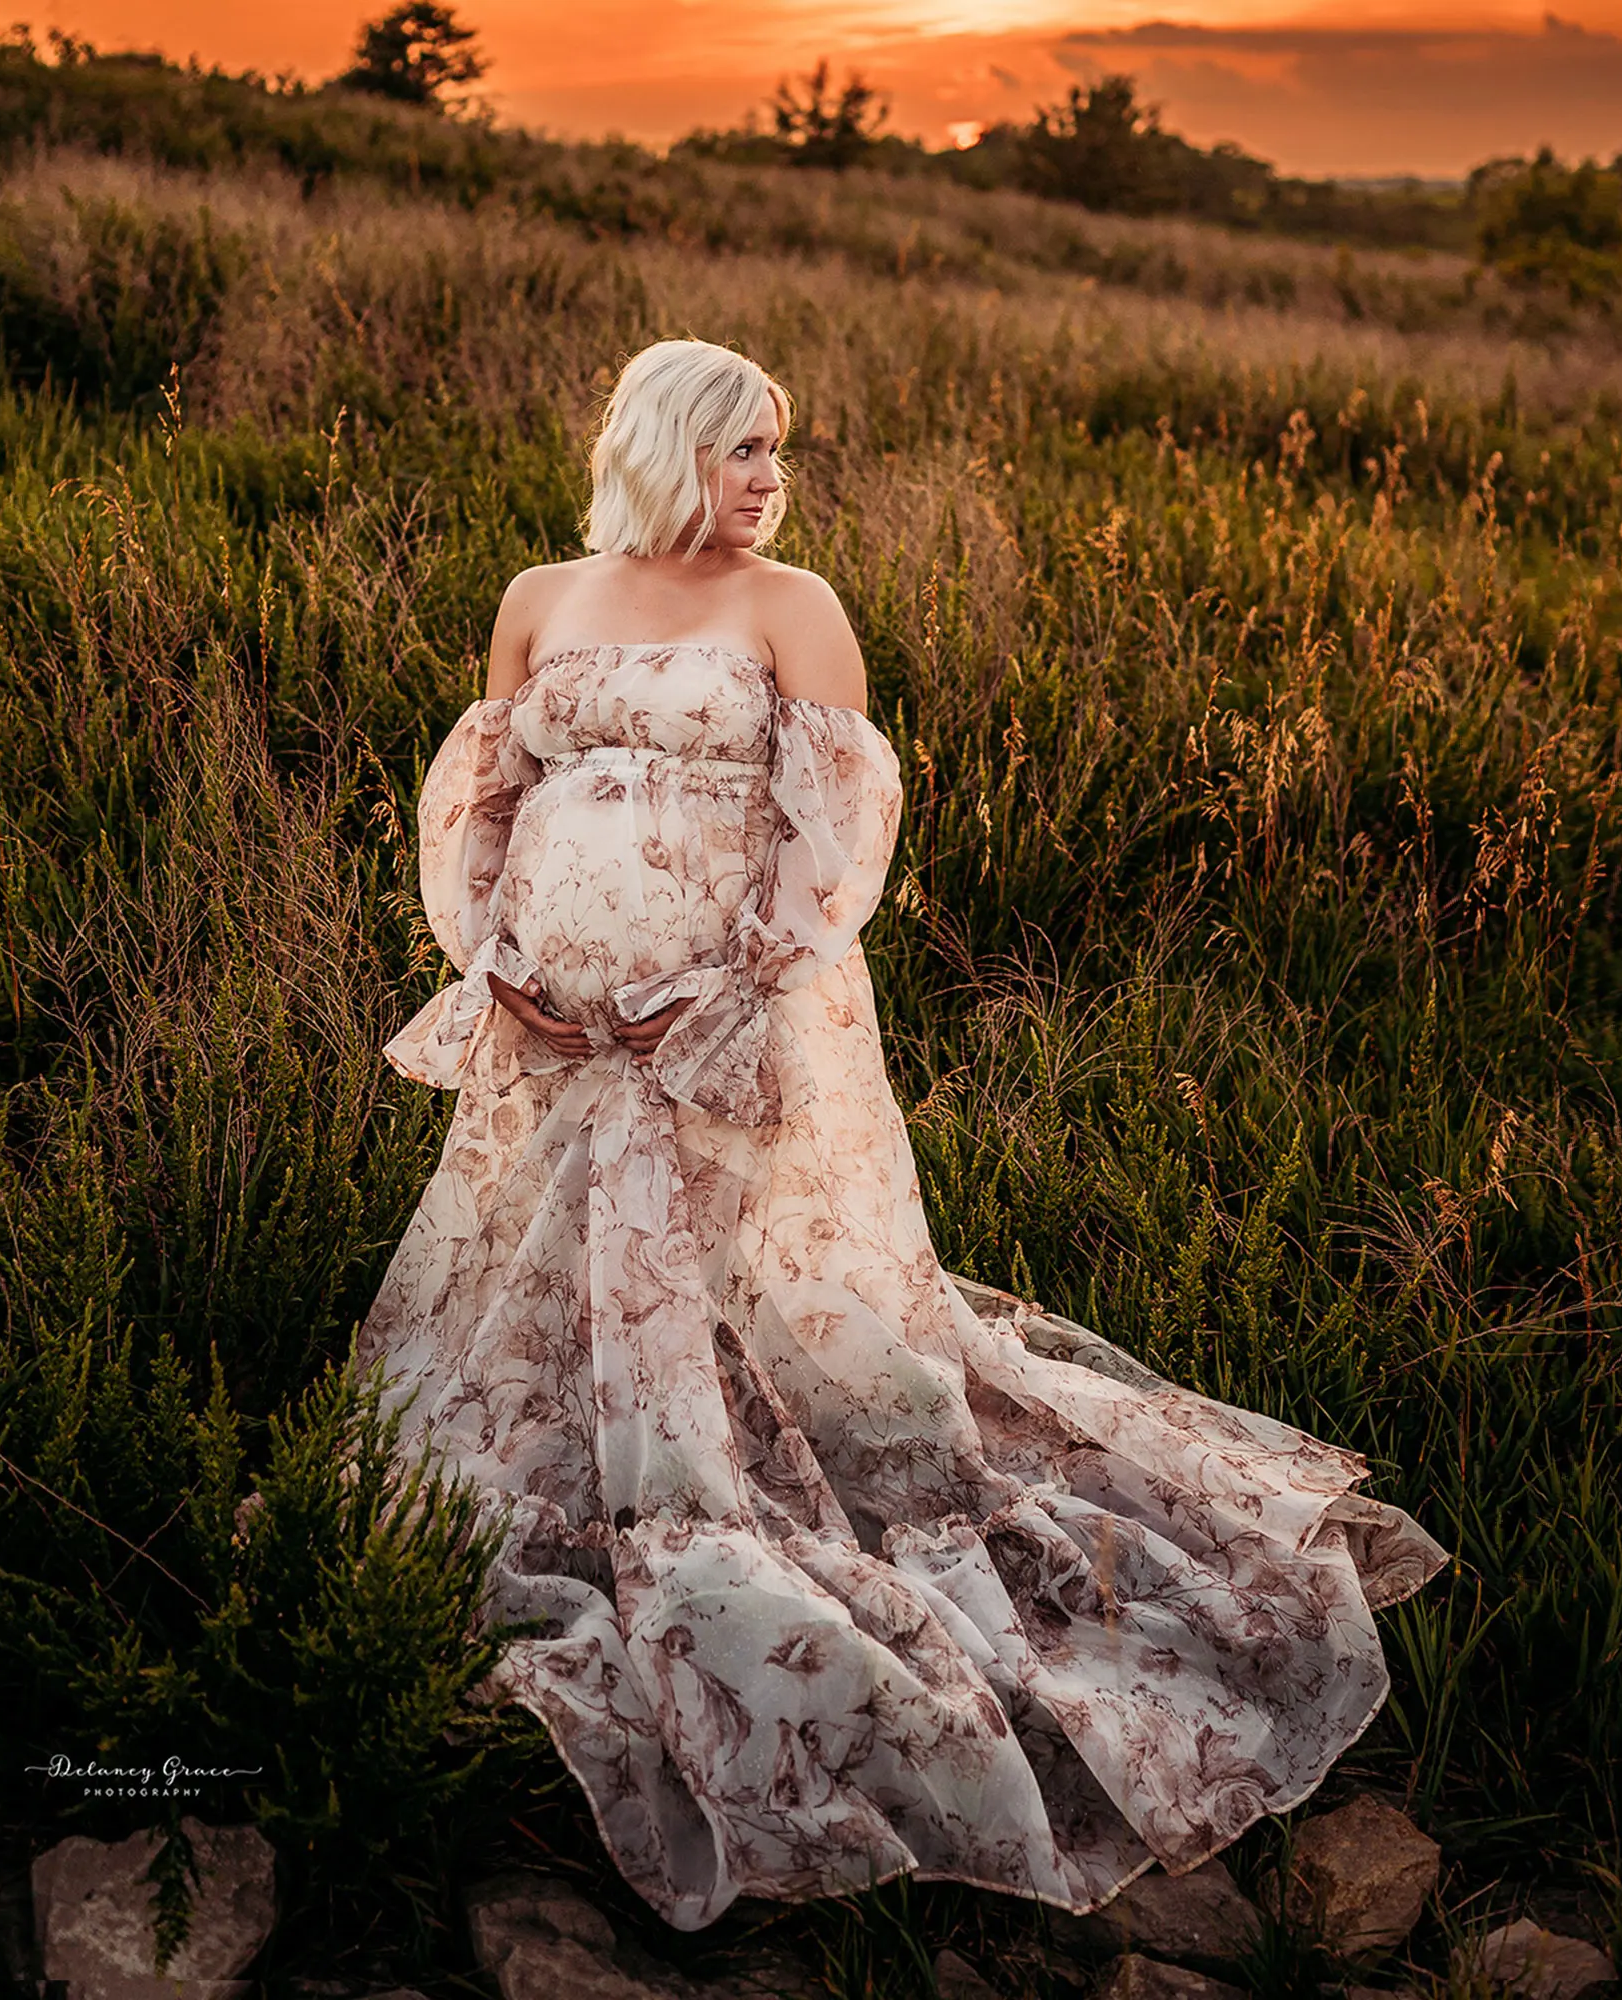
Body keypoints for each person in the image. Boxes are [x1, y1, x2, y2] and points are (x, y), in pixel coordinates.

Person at [353, 336, 1449, 1934]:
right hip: (560, 1035)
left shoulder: (792, 608)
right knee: (537, 1302)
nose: (770, 479)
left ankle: (725, 1490)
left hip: (719, 1031)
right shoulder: (542, 597)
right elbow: (485, 804)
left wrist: (713, 993)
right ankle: (594, 1477)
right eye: (743, 449)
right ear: (665, 446)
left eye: (777, 452)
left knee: (745, 1301)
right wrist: (498, 962)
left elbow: (836, 843)